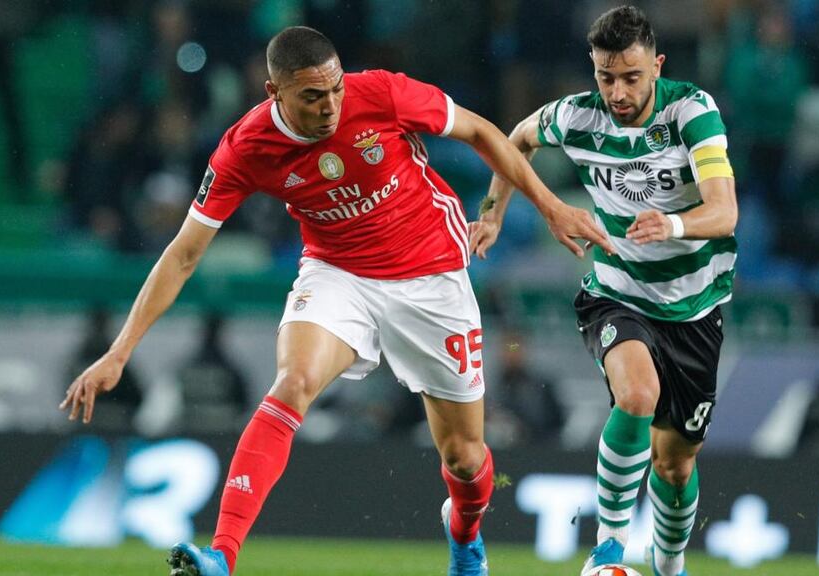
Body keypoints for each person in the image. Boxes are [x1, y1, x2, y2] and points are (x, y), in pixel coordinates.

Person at [59, 26, 611, 576]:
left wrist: (546, 207)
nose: (330, 106)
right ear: (274, 92)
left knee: (465, 459)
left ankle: (465, 535)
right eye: (312, 96)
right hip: (337, 272)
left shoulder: (380, 93)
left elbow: (481, 131)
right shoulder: (244, 148)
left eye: (335, 90)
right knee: (292, 383)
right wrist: (120, 350)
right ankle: (222, 556)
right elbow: (182, 255)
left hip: (431, 274)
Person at [471, 6, 737, 575]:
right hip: (617, 291)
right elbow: (514, 139)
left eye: (631, 77)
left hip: (695, 307)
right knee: (636, 394)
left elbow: (725, 210)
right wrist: (492, 213)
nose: (617, 91)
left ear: (657, 66)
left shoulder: (693, 111)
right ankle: (609, 549)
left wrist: (673, 224)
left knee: (675, 467)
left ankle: (669, 563)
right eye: (605, 77)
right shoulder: (577, 116)